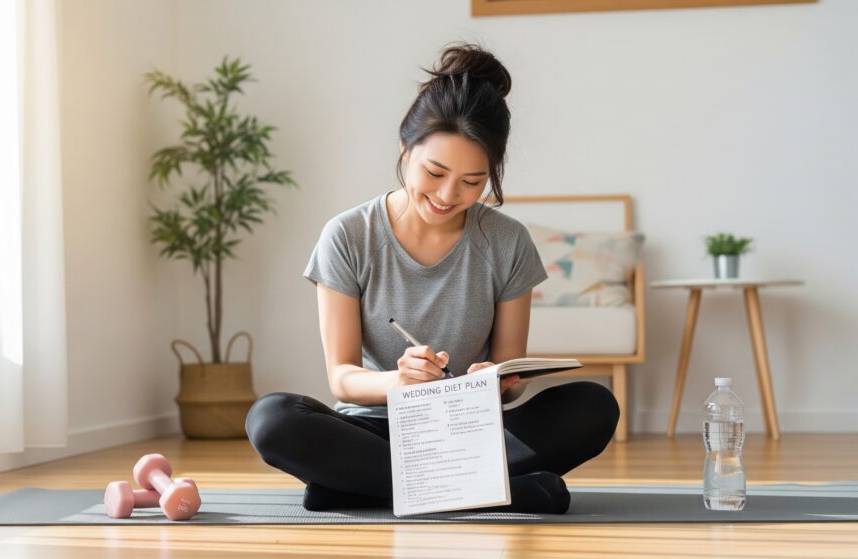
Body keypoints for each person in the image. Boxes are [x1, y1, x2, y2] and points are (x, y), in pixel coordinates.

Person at [246, 43, 618, 513]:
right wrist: (398, 383)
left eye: (472, 181)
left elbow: (513, 375)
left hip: (472, 431)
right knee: (272, 419)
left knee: (593, 406)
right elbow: (341, 379)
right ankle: (502, 492)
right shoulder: (348, 235)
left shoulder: (507, 241)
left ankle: (364, 486)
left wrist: (497, 380)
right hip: (374, 428)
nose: (448, 195)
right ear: (405, 149)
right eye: (435, 172)